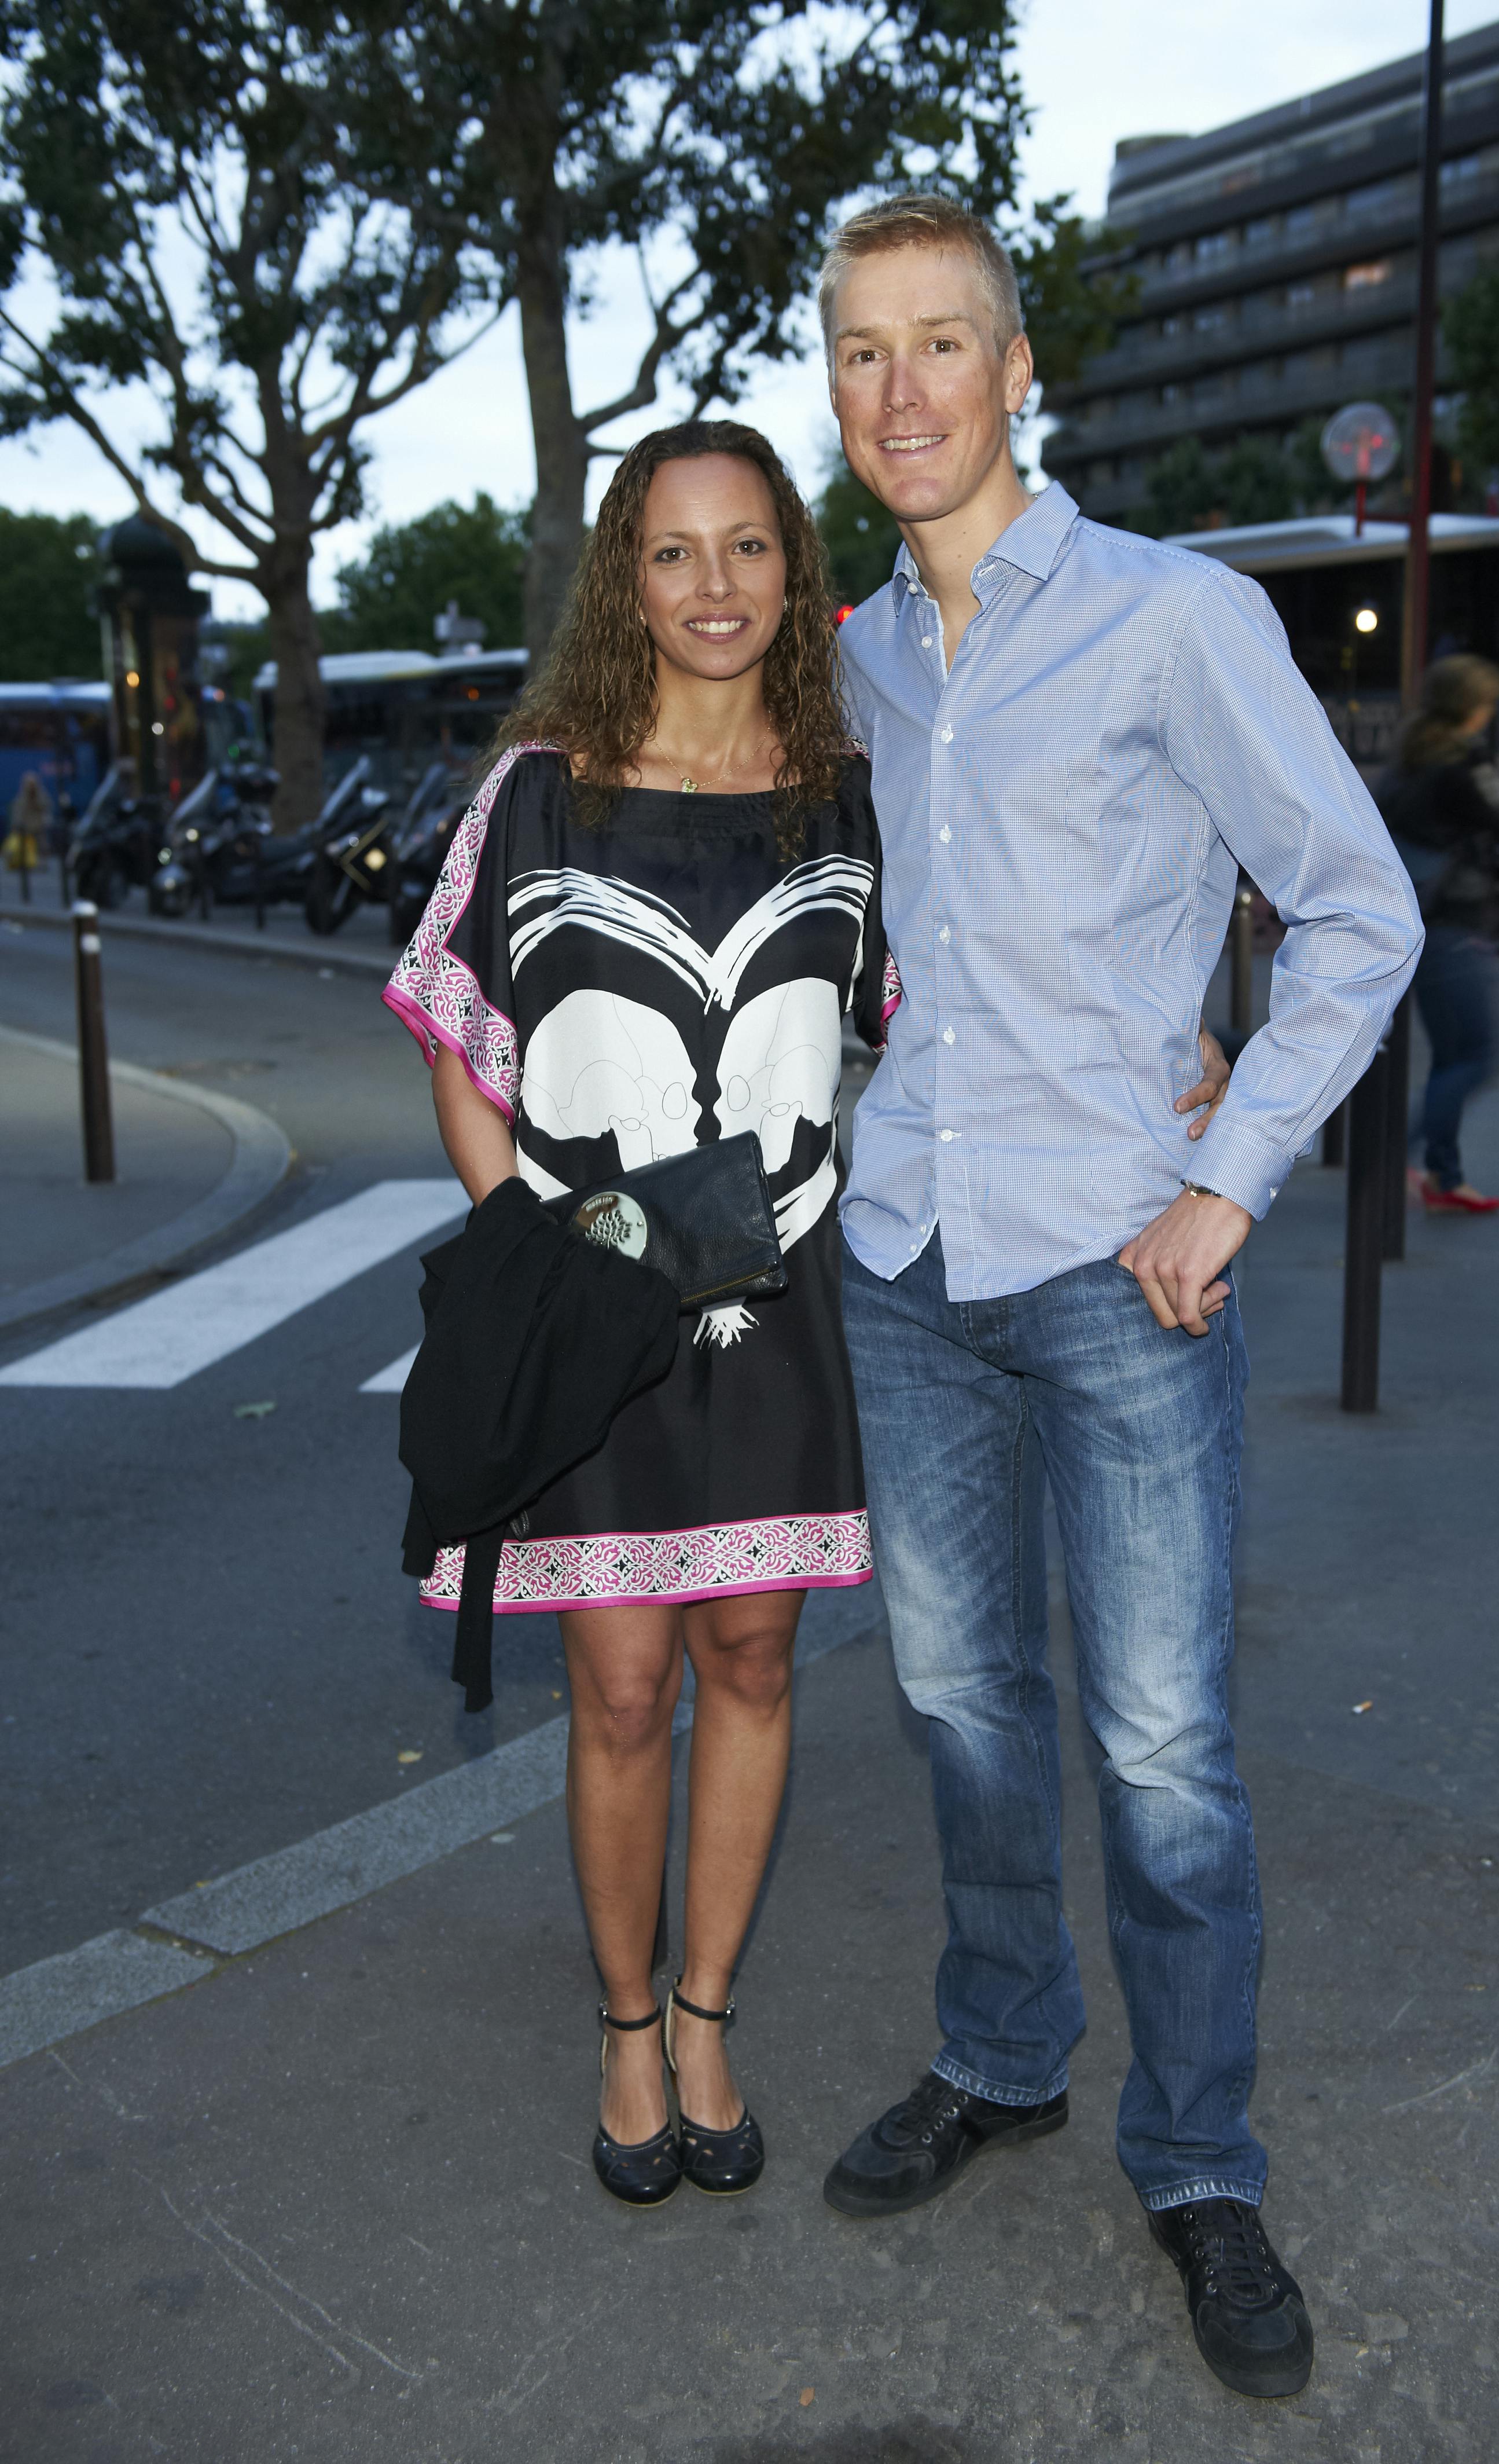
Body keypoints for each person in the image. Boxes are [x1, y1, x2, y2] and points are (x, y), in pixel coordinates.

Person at [815, 195, 1423, 2403]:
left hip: (1119, 1266)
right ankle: (1002, 2052)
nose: (901, 390)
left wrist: (1224, 1169)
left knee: (1161, 1749)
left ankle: (1192, 2154)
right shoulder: (857, 658)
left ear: (1014, 369)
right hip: (904, 1265)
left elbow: (1358, 911)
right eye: (862, 352)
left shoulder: (1176, 620)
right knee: (964, 1711)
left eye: (939, 343)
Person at [384, 421, 888, 2211]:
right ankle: (616, 2022)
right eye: (672, 554)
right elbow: (461, 1041)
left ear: (790, 569)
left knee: (750, 1657)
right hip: (594, 1327)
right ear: (625, 575)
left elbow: (866, 1031)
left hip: (777, 1313)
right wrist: (541, 1249)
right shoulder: (536, 789)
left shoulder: (839, 783)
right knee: (616, 1686)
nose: (713, 588)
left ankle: (702, 2009)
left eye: (746, 547)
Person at [1377, 656, 1499, 1212]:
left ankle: (1444, 1176)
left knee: (1454, 1053)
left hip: (1412, 915)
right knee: (1476, 1053)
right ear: (1474, 708)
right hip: (1450, 920)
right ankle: (1392, 1163)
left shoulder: (1410, 756)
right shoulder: (1463, 764)